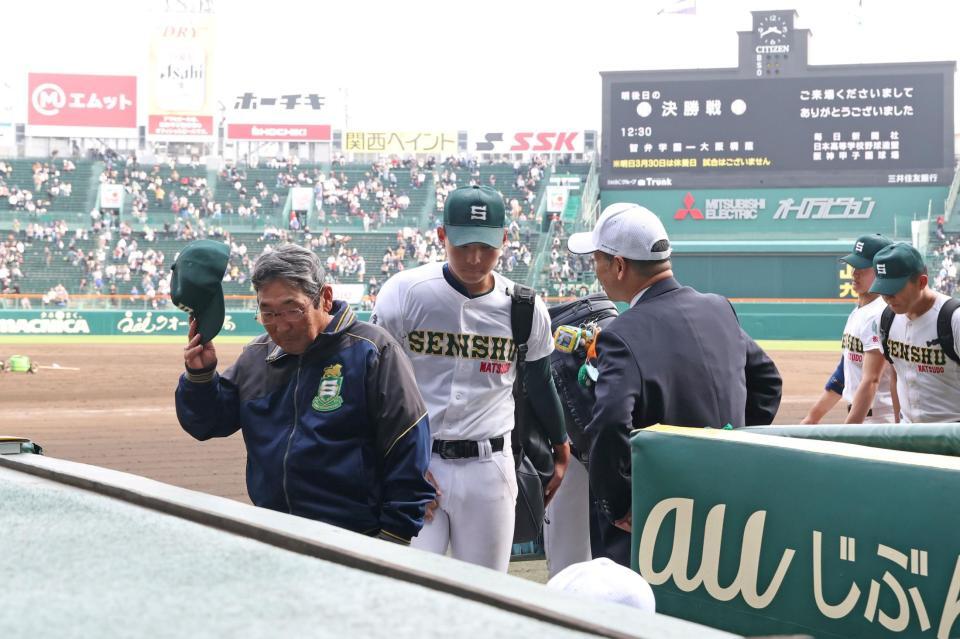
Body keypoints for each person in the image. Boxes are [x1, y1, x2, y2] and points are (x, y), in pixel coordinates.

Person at [567, 202, 782, 567]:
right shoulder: (718, 308)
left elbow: (609, 423)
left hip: (657, 513)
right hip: (726, 501)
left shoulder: (621, 334)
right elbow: (767, 383)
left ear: (619, 266)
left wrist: (619, 505)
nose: (596, 270)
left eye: (598, 260)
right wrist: (728, 444)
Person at [175, 242, 435, 544]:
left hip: (355, 540)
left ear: (324, 299)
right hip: (274, 534)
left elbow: (407, 446)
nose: (280, 326)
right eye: (268, 313)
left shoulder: (372, 351)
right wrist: (200, 376)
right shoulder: (257, 356)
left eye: (292, 310)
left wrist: (393, 536)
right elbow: (206, 423)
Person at [371, 185, 570, 572]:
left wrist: (560, 444)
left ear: (505, 240)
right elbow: (376, 385)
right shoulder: (405, 293)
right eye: (462, 245)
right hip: (418, 459)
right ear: (442, 236)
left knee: (485, 593)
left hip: (489, 465)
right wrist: (397, 462)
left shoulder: (524, 307)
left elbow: (540, 380)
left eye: (487, 247)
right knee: (407, 587)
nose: (475, 258)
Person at [802, 234, 896, 424]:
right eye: (854, 266)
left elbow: (871, 382)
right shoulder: (860, 311)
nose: (854, 273)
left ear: (881, 271)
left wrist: (849, 430)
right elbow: (843, 373)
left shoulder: (878, 315)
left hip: (877, 421)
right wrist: (812, 418)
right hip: (862, 416)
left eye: (862, 268)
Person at [870, 242, 960, 423]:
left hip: (953, 436)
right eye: (882, 289)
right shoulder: (885, 320)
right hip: (909, 432)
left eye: (894, 288)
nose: (887, 297)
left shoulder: (954, 319)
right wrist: (898, 428)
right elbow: (896, 373)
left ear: (921, 282)